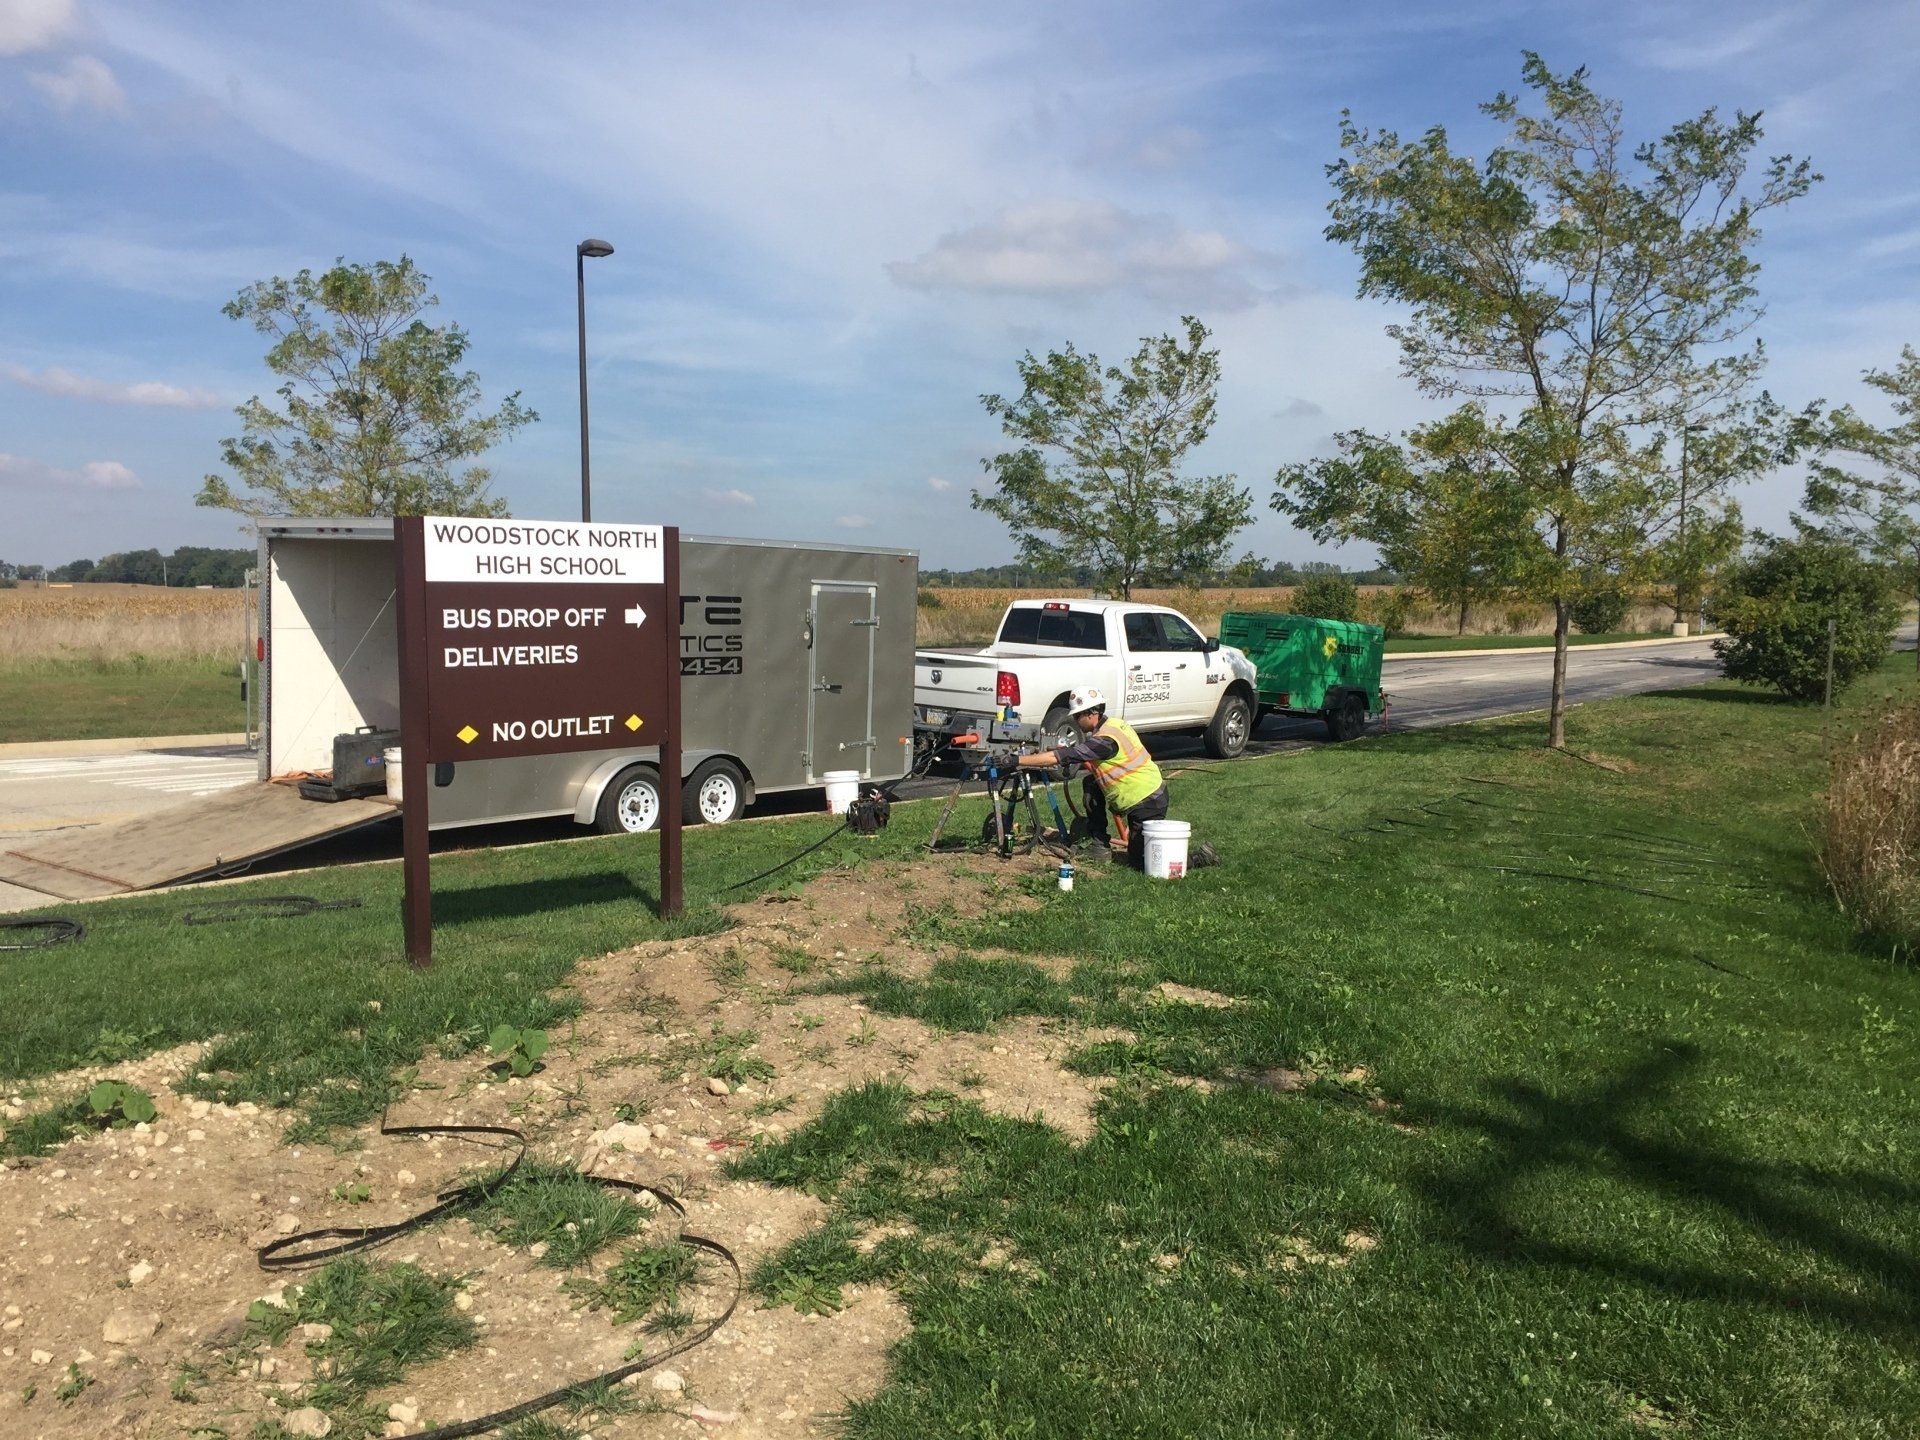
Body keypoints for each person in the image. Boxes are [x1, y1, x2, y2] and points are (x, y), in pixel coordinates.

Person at [1015, 686, 1214, 870]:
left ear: (1091, 713)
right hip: (1147, 793)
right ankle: (1099, 846)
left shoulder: (1104, 740)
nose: (1075, 721)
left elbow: (1058, 758)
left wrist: (1018, 760)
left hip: (1147, 800)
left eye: (1077, 716)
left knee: (1142, 862)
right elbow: (1082, 752)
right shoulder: (1113, 725)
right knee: (1091, 783)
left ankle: (1198, 858)